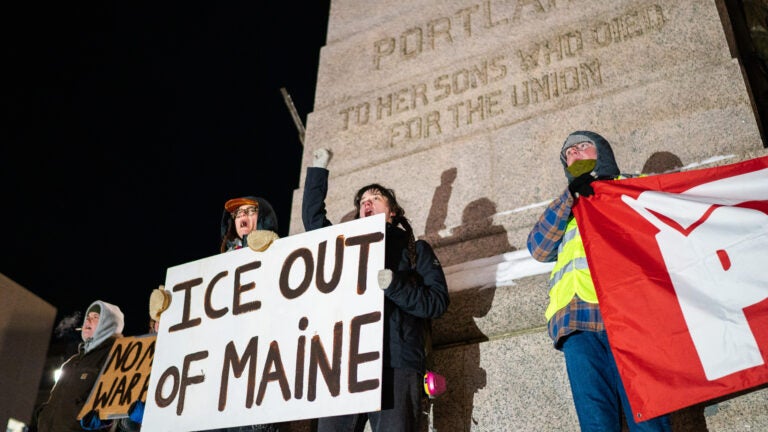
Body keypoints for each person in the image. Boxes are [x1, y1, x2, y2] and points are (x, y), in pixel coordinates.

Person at [526, 130, 672, 432]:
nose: (575, 154)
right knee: (596, 425)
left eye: (582, 147)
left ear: (601, 152)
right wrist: (570, 197)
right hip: (577, 320)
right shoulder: (566, 206)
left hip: (631, 316)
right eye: (569, 153)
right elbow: (538, 248)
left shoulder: (632, 187)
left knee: (649, 420)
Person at [303, 148, 450, 432]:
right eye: (363, 202)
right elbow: (314, 223)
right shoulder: (345, 246)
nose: (367, 204)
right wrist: (318, 171)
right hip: (345, 363)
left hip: (396, 363)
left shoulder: (415, 250)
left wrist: (395, 286)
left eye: (375, 198)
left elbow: (437, 302)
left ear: (392, 212)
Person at [31, 300, 125, 432]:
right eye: (88, 317)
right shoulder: (72, 361)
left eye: (95, 317)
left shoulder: (115, 356)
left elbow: (117, 403)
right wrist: (43, 414)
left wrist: (99, 421)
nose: (88, 320)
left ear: (108, 324)